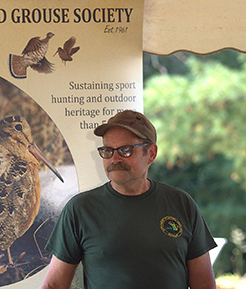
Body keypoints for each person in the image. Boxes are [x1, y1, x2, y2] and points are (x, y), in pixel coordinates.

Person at [40, 110, 217, 289]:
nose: (114, 159)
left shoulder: (181, 204)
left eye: (126, 150)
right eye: (108, 150)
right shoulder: (80, 209)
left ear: (151, 153)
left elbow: (204, 284)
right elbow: (54, 285)